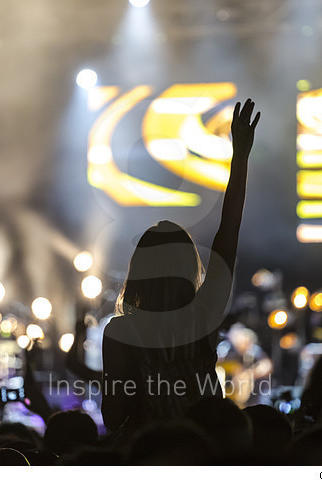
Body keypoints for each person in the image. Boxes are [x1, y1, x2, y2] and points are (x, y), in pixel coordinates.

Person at [101, 99, 260, 436]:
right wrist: (240, 158)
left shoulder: (120, 333)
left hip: (152, 455)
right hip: (209, 451)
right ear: (190, 267)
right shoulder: (203, 314)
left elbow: (114, 417)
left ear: (138, 271)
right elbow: (228, 231)